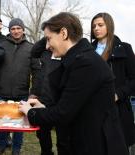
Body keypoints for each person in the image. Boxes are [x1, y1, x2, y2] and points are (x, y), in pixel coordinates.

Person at [19, 12, 128, 155]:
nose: (47, 46)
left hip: (96, 146)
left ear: (63, 33)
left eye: (49, 39)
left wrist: (30, 112)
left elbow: (63, 113)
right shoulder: (77, 60)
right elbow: (73, 105)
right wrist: (43, 107)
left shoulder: (85, 63)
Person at [0, 18, 41, 155]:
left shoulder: (31, 48)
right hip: (2, 90)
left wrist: (34, 92)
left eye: (18, 28)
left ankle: (16, 149)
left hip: (22, 92)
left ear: (23, 29)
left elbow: (37, 71)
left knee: (20, 124)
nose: (16, 31)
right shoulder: (1, 45)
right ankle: (1, 145)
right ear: (9, 30)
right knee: (1, 122)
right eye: (13, 29)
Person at [91, 12, 135, 151]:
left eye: (100, 25)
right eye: (94, 26)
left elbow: (133, 79)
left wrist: (118, 94)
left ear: (109, 26)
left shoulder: (124, 48)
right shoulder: (88, 50)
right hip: (93, 109)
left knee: (117, 148)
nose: (96, 28)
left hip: (118, 109)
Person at [30, 37, 70, 155]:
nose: (48, 45)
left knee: (62, 137)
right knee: (42, 134)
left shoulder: (66, 53)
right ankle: (46, 152)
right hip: (43, 99)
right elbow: (34, 51)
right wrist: (48, 37)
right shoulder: (46, 52)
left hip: (60, 100)